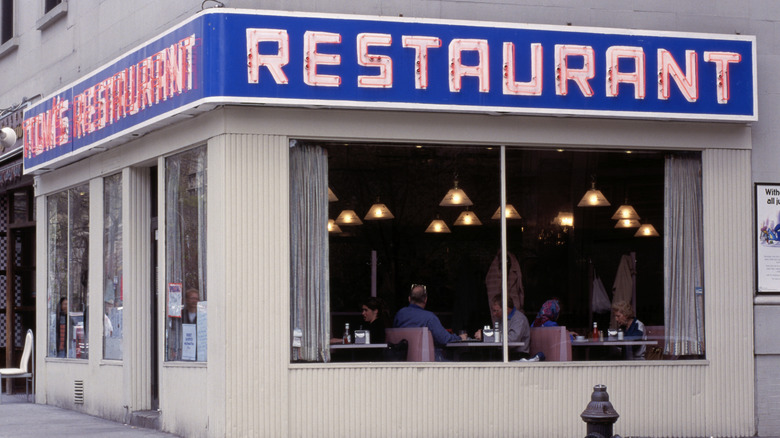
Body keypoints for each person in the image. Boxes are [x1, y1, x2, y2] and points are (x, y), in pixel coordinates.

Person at [393, 284, 464, 348]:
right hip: (426, 360)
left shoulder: (399, 314)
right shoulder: (429, 318)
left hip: (402, 360)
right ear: (425, 299)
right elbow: (444, 339)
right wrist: (460, 338)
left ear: (409, 299)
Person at [476, 295, 530, 360]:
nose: (494, 314)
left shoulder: (519, 319)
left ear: (506, 309)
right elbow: (496, 335)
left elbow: (511, 341)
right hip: (506, 353)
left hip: (518, 355)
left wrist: (484, 338)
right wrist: (484, 334)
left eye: (496, 311)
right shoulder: (501, 318)